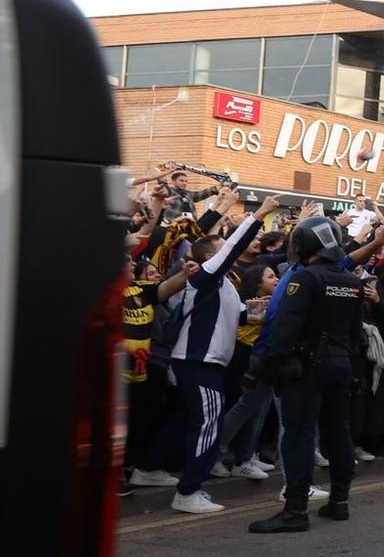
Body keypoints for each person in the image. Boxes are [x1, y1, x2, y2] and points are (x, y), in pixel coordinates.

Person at [145, 196, 278, 513]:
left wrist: (251, 313)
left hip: (201, 361)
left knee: (183, 420)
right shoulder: (205, 274)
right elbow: (233, 247)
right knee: (207, 424)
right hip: (199, 361)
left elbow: (228, 316)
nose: (227, 250)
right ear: (208, 256)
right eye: (221, 247)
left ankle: (148, 469)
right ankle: (189, 491)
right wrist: (258, 215)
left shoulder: (221, 284)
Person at [247, 214, 367, 533]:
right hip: (341, 365)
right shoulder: (353, 282)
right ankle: (340, 502)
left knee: (298, 433)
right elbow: (358, 334)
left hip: (306, 367)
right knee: (337, 431)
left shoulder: (305, 279)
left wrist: (262, 367)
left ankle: (296, 510)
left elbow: (285, 330)